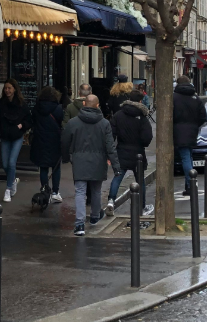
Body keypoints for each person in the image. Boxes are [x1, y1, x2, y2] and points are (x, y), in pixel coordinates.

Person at [61, 94, 120, 236]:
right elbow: (110, 146)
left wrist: (65, 157)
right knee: (96, 190)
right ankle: (94, 217)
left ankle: (80, 224)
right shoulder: (104, 123)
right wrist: (116, 166)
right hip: (98, 161)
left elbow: (64, 141)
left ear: (84, 104)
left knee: (80, 191)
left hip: (79, 160)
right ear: (98, 106)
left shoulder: (73, 122)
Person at [106, 87, 154, 216]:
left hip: (122, 150)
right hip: (138, 152)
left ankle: (111, 201)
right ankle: (142, 207)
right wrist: (143, 144)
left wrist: (111, 151)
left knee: (117, 177)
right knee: (140, 181)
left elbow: (111, 134)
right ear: (140, 100)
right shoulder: (142, 116)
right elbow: (147, 136)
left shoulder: (118, 114)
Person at [0, 78, 31, 202]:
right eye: (5, 88)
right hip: (5, 136)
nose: (7, 90)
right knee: (5, 164)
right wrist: (1, 126)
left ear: (14, 89)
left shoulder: (21, 104)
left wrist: (22, 125)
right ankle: (12, 180)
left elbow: (29, 119)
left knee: (12, 163)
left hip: (17, 136)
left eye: (9, 88)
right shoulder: (0, 104)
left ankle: (8, 189)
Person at [172, 75, 206, 196]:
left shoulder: (173, 97)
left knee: (185, 157)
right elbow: (203, 116)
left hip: (178, 131)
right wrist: (194, 125)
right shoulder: (195, 98)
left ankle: (191, 183)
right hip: (192, 131)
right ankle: (189, 183)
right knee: (188, 155)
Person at [30, 86, 65, 203]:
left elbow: (33, 122)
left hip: (40, 140)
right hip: (55, 141)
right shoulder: (59, 109)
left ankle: (45, 191)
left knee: (43, 167)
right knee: (56, 168)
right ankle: (55, 192)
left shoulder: (36, 108)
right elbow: (62, 124)